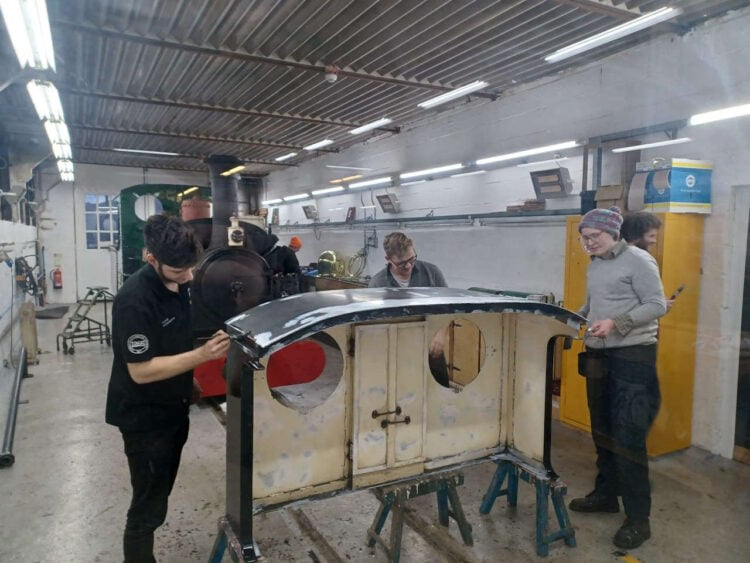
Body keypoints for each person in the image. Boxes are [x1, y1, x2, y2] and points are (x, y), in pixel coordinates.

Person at [105, 215, 231, 563]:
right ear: (151, 258)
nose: (189, 276)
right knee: (147, 506)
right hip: (145, 419)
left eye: (192, 268)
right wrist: (202, 356)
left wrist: (186, 380)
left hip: (173, 408)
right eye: (179, 270)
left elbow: (170, 342)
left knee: (160, 492)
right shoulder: (135, 300)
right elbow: (141, 371)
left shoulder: (179, 283)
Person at [570, 206, 667, 550]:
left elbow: (657, 305)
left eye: (594, 237)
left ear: (614, 233)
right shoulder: (596, 264)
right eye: (584, 239)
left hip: (631, 357)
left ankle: (639, 519)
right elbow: (594, 304)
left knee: (628, 437)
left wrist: (617, 323)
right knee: (603, 430)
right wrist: (572, 317)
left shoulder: (639, 261)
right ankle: (606, 494)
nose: (588, 244)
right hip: (599, 354)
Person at [368, 232, 447, 288]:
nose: (408, 266)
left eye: (411, 259)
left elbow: (447, 304)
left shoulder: (432, 273)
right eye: (402, 263)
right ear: (388, 259)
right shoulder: (377, 284)